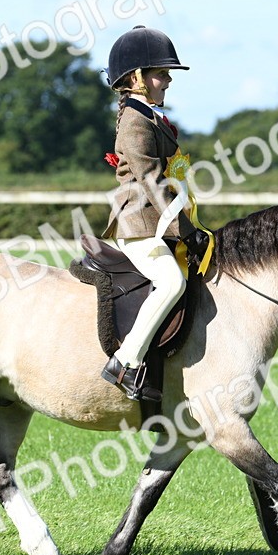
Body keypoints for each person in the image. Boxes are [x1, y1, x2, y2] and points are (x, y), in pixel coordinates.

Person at [99, 26, 198, 403]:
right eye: (161, 73)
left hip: (157, 220)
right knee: (172, 283)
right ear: (136, 78)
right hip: (139, 223)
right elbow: (152, 179)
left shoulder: (148, 115)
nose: (168, 80)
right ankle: (124, 361)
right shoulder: (135, 120)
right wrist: (184, 227)